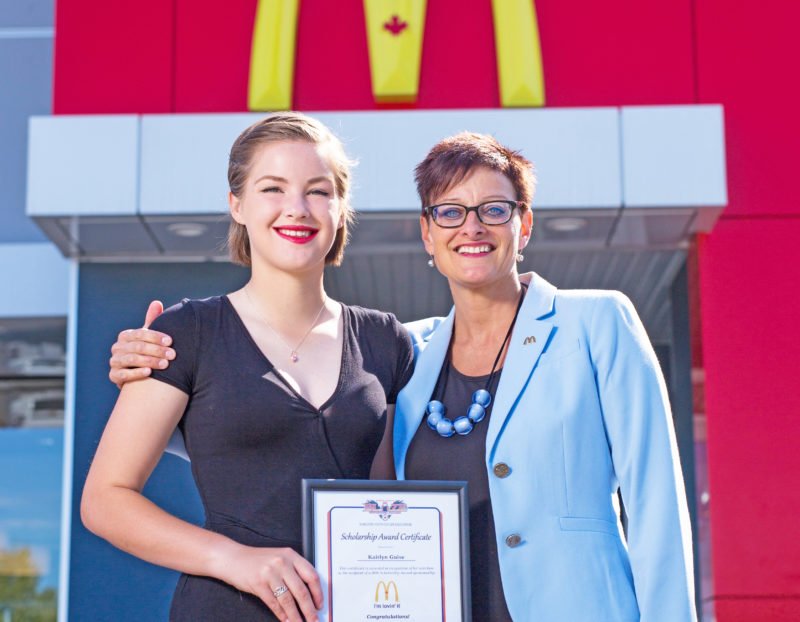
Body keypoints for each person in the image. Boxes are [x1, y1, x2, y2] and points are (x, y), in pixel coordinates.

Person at [109, 132, 697, 621]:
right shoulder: (409, 349)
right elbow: (299, 442)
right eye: (450, 212)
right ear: (427, 233)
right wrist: (160, 381)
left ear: (524, 224)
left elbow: (655, 505)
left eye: (495, 209)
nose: (472, 227)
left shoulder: (594, 322)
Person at [82, 112, 415, 622]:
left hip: (356, 609)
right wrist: (234, 560)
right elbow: (105, 500)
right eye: (272, 189)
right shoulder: (185, 333)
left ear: (341, 207)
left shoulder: (386, 340)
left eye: (319, 191)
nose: (297, 209)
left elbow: (386, 502)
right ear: (236, 204)